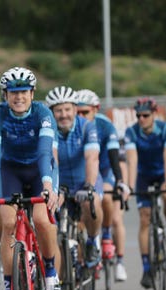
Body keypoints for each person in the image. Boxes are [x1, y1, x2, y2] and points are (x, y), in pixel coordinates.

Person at [0, 67, 61, 290]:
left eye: (23, 92)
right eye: (13, 93)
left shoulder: (43, 113)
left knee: (41, 220)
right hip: (10, 171)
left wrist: (48, 185)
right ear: (5, 95)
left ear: (32, 93)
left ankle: (51, 278)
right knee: (8, 225)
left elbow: (44, 153)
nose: (18, 97)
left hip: (41, 170)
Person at [124, 97, 166, 289]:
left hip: (163, 171)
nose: (141, 119)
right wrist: (130, 186)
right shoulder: (131, 132)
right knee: (145, 218)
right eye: (138, 115)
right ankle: (147, 268)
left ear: (154, 114)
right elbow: (131, 160)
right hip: (143, 176)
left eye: (145, 115)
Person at [76, 89, 131, 281]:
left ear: (96, 110)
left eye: (85, 112)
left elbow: (116, 157)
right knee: (80, 218)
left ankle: (106, 236)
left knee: (106, 196)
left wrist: (121, 182)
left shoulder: (105, 126)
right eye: (78, 112)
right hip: (82, 171)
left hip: (105, 170)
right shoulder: (70, 125)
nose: (81, 116)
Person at [47, 86, 103, 267]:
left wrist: (88, 185)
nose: (63, 115)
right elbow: (51, 158)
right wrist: (54, 189)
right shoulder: (49, 129)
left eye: (67, 109)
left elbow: (92, 158)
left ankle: (93, 240)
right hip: (60, 183)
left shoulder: (87, 126)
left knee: (91, 201)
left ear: (75, 109)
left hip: (84, 180)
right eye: (58, 110)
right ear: (52, 112)